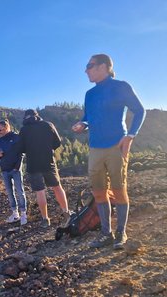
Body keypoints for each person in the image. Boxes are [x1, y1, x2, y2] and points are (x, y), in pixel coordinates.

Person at [72, 54, 146, 249]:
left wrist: (130, 135)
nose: (86, 70)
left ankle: (121, 232)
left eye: (90, 65)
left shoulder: (121, 86)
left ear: (104, 66)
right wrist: (83, 123)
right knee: (98, 192)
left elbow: (140, 111)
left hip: (116, 145)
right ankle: (106, 233)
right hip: (95, 147)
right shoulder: (90, 94)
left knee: (119, 190)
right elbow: (88, 116)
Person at [15, 109, 72, 228]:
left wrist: (30, 149)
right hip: (48, 162)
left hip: (33, 164)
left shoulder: (24, 130)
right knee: (57, 187)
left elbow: (20, 148)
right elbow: (57, 142)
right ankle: (66, 212)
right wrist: (47, 148)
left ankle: (45, 219)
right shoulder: (48, 125)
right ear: (37, 115)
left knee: (40, 192)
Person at [0, 120, 28, 224]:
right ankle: (15, 214)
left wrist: (17, 167)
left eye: (0, 130)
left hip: (15, 170)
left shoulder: (16, 137)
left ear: (7, 128)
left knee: (20, 191)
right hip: (5, 170)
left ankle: (23, 214)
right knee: (9, 193)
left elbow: (22, 153)